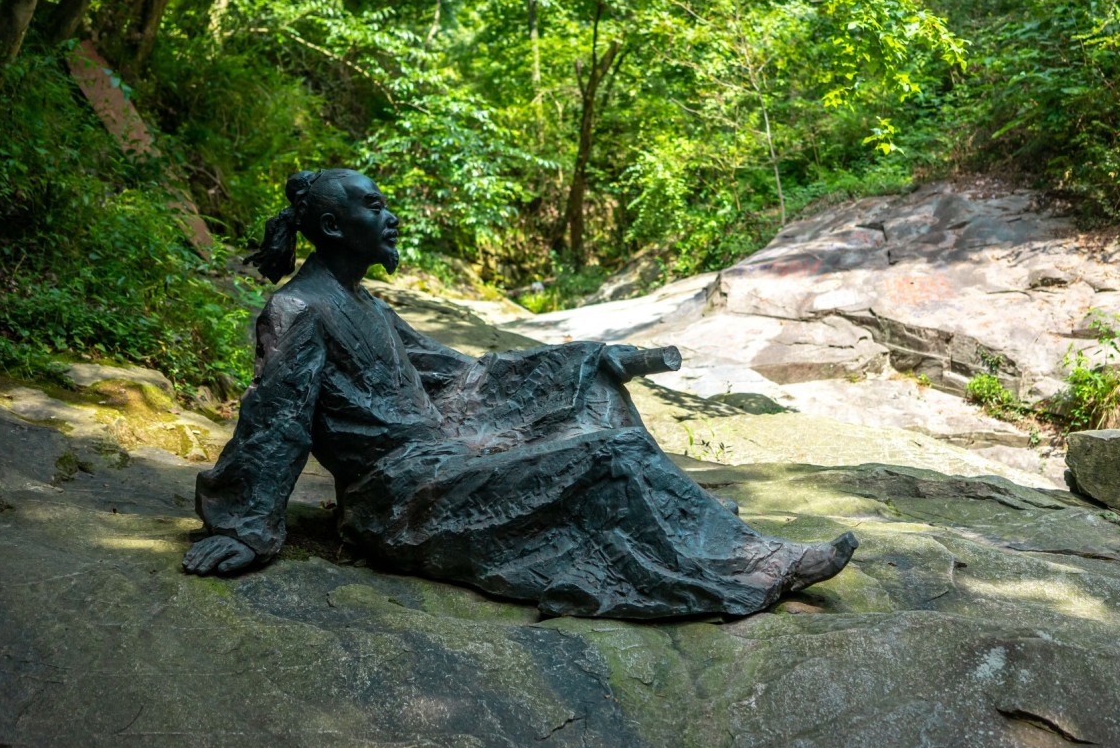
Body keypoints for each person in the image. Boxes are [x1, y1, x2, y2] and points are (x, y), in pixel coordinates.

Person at [182, 169, 857, 618]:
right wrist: (244, 527)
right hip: (402, 499)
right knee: (608, 458)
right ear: (332, 227)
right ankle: (748, 563)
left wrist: (593, 355)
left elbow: (464, 375)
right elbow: (274, 424)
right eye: (374, 207)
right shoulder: (300, 310)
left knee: (595, 396)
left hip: (442, 459)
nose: (391, 218)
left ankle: (699, 526)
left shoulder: (364, 305)